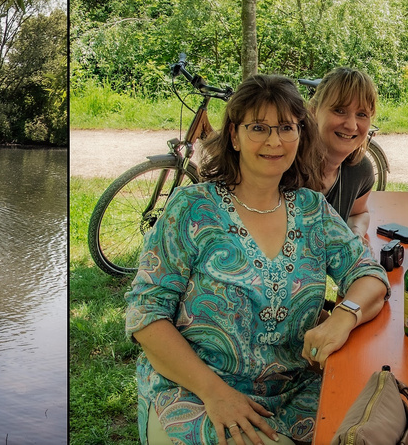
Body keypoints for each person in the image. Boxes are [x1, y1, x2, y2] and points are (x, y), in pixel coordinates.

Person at [124, 75, 391, 444]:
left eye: (286, 128)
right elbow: (145, 313)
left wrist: (343, 316)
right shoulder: (193, 209)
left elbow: (370, 275)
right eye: (259, 128)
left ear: (301, 134)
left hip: (296, 391)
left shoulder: (312, 210)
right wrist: (215, 392)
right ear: (234, 135)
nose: (274, 141)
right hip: (198, 390)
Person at [309, 67, 380, 230]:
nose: (351, 125)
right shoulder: (287, 167)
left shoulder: (359, 171)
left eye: (362, 114)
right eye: (339, 111)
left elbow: (358, 213)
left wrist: (356, 234)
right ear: (314, 111)